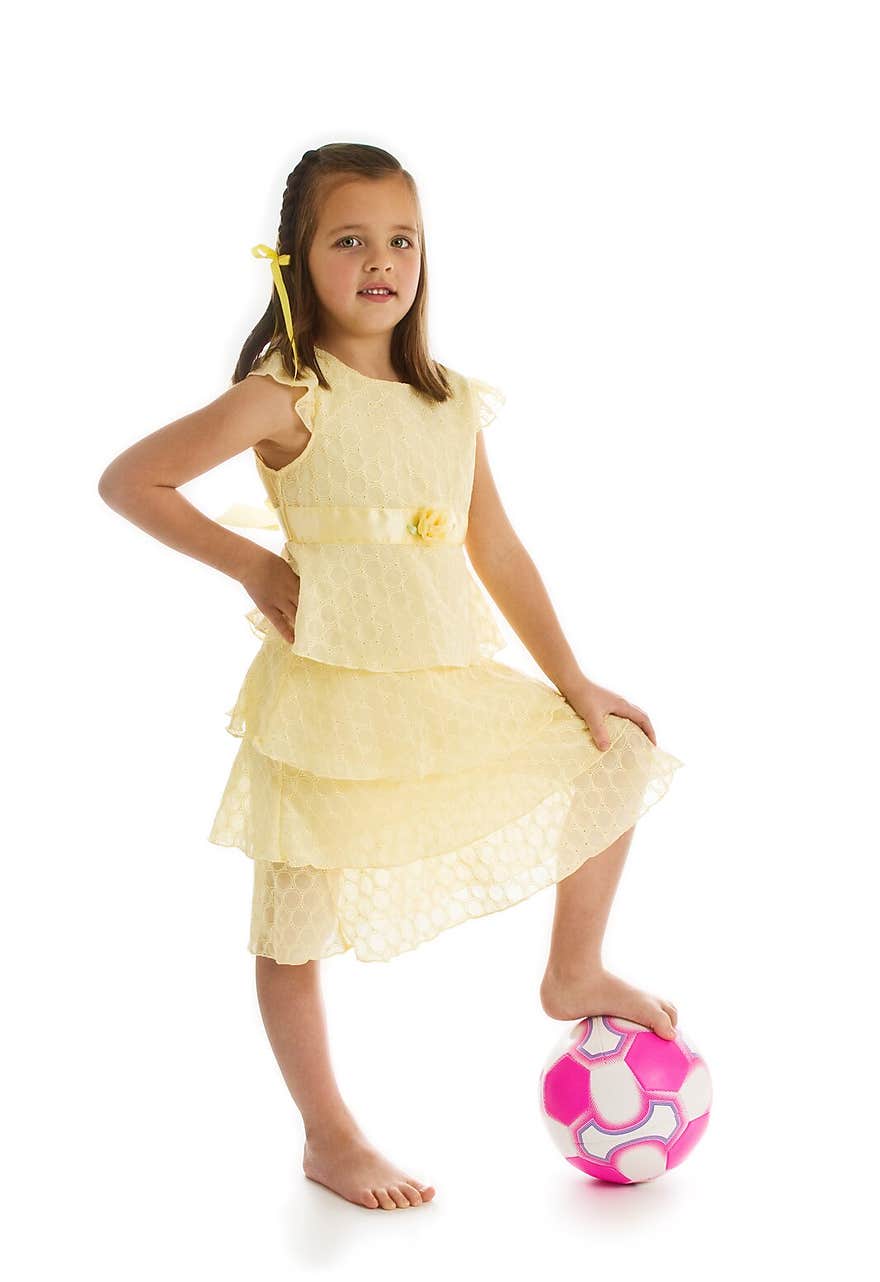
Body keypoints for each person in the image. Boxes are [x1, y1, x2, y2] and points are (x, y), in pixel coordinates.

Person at [98, 142, 685, 1212]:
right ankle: (328, 1134)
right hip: (326, 702)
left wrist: (572, 679)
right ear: (297, 261)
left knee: (618, 750)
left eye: (401, 239)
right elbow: (131, 479)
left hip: (435, 682)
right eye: (350, 240)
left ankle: (573, 969)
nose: (381, 261)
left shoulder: (447, 399)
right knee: (292, 926)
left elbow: (495, 549)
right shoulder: (288, 394)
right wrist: (249, 561)